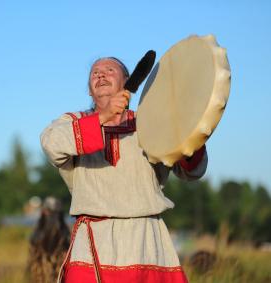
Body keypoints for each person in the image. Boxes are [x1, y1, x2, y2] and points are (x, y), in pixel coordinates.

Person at [40, 57, 207, 283]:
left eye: (109, 70)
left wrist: (188, 129)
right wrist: (104, 116)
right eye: (94, 73)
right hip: (94, 243)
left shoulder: (149, 123)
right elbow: (51, 144)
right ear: (89, 91)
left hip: (147, 242)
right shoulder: (73, 121)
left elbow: (192, 171)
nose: (100, 75)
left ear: (127, 83)